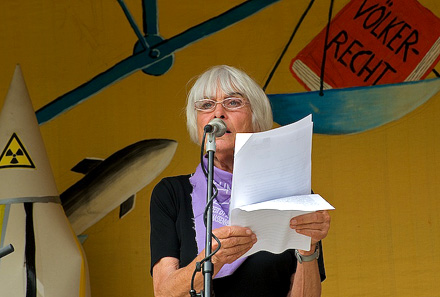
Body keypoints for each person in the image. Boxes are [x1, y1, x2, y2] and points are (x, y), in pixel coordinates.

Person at [150, 65, 331, 297]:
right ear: (197, 124)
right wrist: (214, 258)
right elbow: (164, 293)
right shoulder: (172, 193)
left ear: (256, 120)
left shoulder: (288, 191)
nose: (218, 113)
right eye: (206, 105)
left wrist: (309, 247)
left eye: (233, 102)